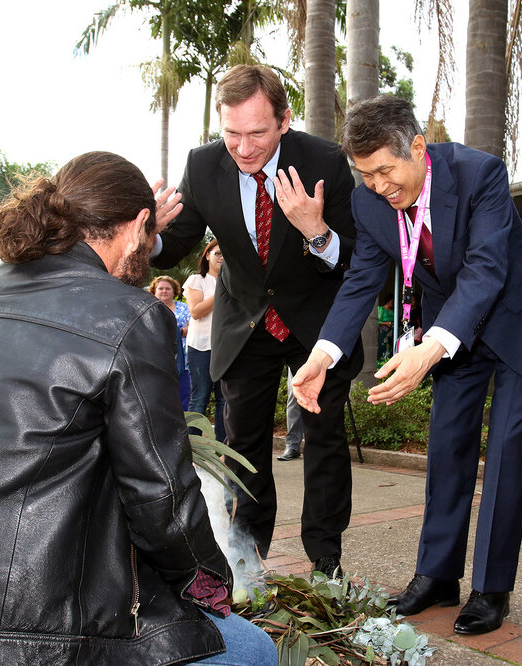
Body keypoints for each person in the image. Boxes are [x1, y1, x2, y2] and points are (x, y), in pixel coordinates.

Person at [0, 152, 277, 665]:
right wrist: (211, 586)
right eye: (146, 236)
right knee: (250, 651)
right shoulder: (131, 316)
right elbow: (162, 499)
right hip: (5, 636)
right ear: (136, 229)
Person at [291, 95, 522, 635]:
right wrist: (321, 355)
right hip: (453, 330)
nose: (378, 186)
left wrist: (431, 346)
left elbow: (486, 268)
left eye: (386, 171)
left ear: (417, 147)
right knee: (446, 447)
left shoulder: (480, 173)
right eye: (365, 175)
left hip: (517, 317)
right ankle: (438, 575)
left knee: (506, 450)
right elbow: (360, 282)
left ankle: (491, 588)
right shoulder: (371, 204)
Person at [150, 64, 360, 579]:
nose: (242, 149)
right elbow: (175, 245)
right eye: (231, 134)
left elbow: (358, 258)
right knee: (244, 448)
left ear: (284, 120)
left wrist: (317, 231)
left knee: (324, 440)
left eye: (257, 133)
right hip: (244, 324)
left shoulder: (325, 162)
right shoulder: (202, 166)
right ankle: (247, 558)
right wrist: (150, 235)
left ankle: (326, 560)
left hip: (314, 325)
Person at [184, 239, 227, 442]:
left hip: (226, 348)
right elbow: (196, 311)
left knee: (224, 400)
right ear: (207, 254)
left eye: (226, 254)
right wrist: (222, 289)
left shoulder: (235, 281)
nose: (222, 257)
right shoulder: (197, 280)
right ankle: (193, 449)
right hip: (200, 347)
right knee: (199, 398)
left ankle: (222, 450)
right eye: (218, 253)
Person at [150, 274, 191, 409]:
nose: (164, 291)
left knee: (183, 396)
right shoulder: (149, 308)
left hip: (182, 361)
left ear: (174, 291)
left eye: (168, 288)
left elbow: (194, 326)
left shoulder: (184, 308)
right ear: (154, 291)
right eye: (160, 288)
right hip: (156, 360)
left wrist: (182, 331)